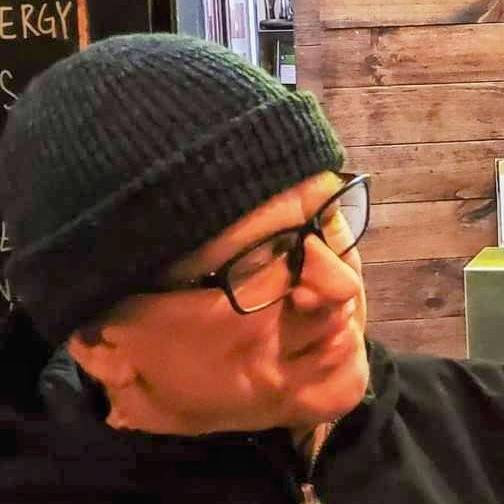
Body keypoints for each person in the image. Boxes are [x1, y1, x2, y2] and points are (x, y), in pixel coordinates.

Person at [0, 33, 503, 504]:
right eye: (259, 259)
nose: (340, 284)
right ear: (100, 342)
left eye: (329, 217)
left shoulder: (483, 425)